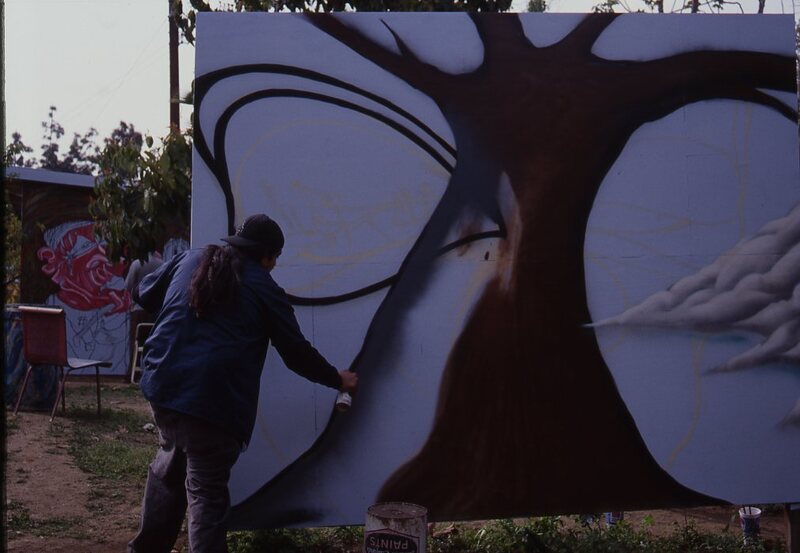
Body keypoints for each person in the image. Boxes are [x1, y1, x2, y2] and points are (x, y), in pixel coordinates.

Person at [127, 214, 358, 553]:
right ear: (267, 256)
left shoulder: (192, 258)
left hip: (164, 387)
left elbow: (143, 294)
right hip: (213, 405)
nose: (274, 266)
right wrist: (337, 378)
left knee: (171, 468)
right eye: (275, 259)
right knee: (206, 495)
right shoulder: (265, 289)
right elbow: (296, 353)